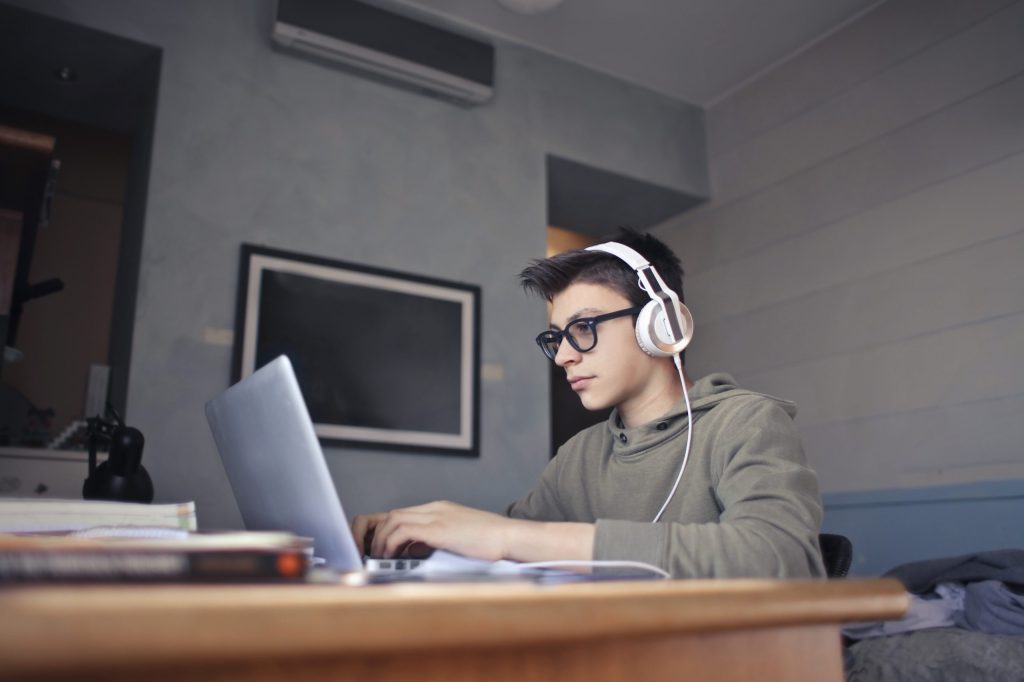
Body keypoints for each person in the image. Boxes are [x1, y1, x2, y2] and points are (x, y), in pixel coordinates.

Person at [352, 228, 825, 578]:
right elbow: (504, 547)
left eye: (583, 328)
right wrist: (416, 535)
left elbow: (780, 556)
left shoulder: (745, 423)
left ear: (662, 325)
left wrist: (510, 537)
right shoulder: (578, 456)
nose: (562, 355)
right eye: (556, 337)